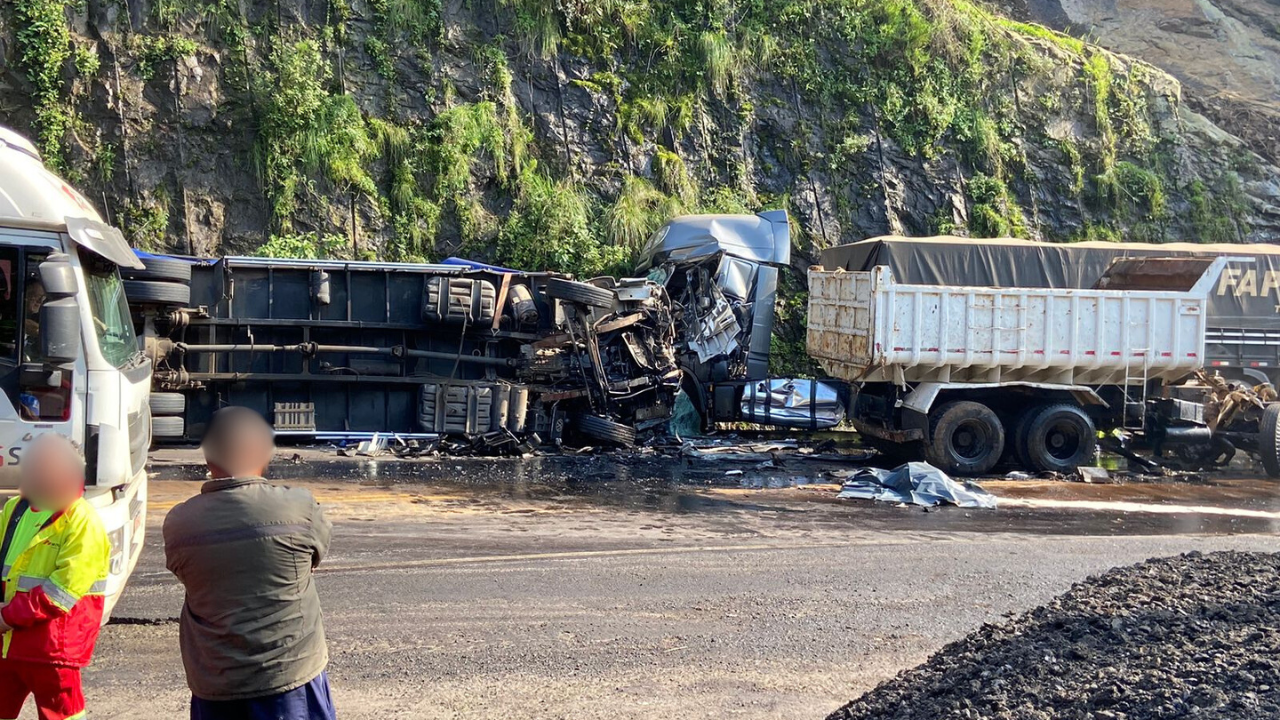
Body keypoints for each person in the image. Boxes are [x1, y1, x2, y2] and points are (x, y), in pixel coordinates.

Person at [163, 406, 335, 720]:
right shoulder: (300, 506)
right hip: (289, 677)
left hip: (216, 684)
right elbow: (315, 557)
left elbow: (188, 574)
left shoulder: (179, 523)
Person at [0, 434, 110, 720]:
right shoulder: (16, 509)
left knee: (61, 715)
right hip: (10, 643)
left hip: (53, 647)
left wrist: (6, 618)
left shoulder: (81, 519)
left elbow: (62, 591)